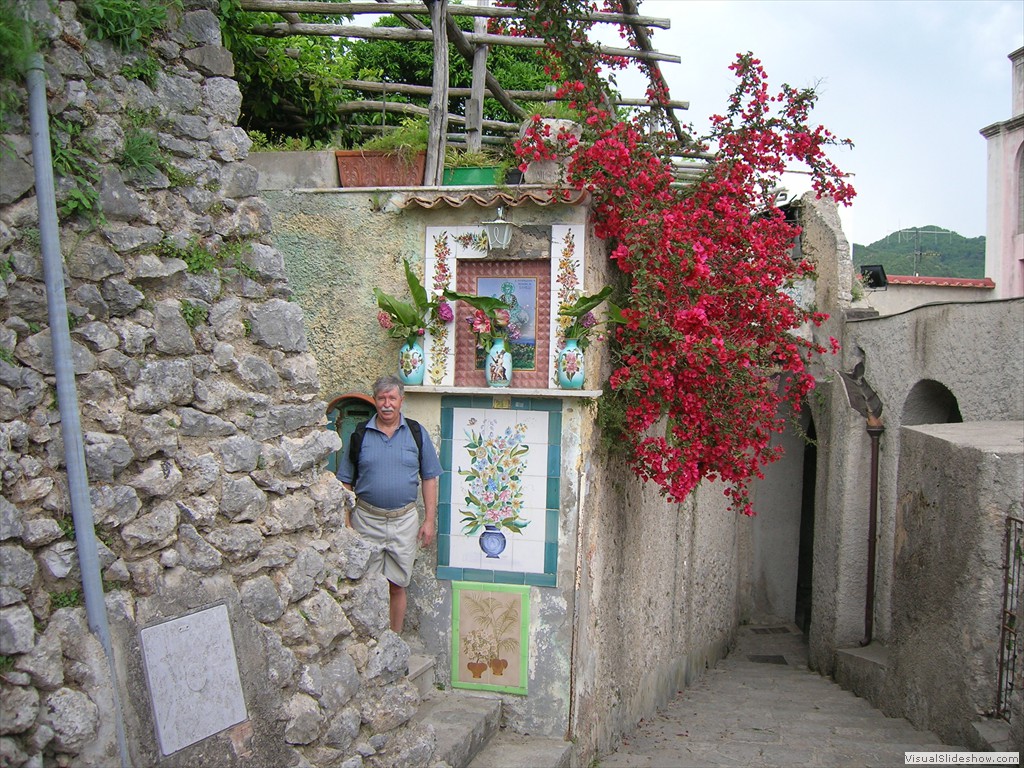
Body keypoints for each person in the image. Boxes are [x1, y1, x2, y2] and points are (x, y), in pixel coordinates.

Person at [336, 375, 441, 633]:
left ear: (401, 401)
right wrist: (346, 520)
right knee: (365, 583)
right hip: (366, 519)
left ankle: (393, 641)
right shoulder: (360, 435)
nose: (386, 404)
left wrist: (428, 520)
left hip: (403, 521)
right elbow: (344, 482)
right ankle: (368, 641)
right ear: (374, 401)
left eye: (392, 398)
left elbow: (429, 477)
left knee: (397, 584)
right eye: (381, 398)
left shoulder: (416, 433)